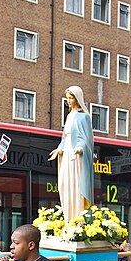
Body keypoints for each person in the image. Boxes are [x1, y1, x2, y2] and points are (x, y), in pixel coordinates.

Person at [48, 86, 94, 223]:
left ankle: (78, 219)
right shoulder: (69, 116)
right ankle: (69, 218)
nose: (69, 101)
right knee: (64, 184)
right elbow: (65, 138)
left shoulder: (84, 117)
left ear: (78, 99)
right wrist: (59, 149)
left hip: (77, 157)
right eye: (67, 98)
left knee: (76, 184)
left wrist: (80, 148)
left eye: (71, 98)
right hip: (67, 153)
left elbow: (86, 139)